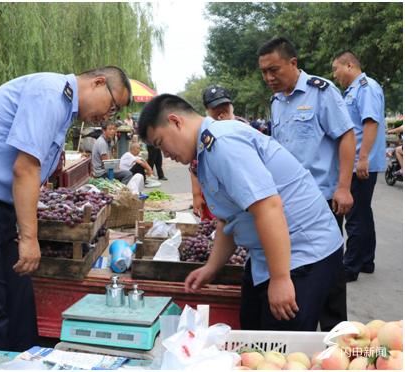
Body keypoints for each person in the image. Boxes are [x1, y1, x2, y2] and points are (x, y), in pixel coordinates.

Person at [0, 66, 132, 351]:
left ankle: (26, 361)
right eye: (112, 107)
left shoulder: (63, 109)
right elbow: (25, 168)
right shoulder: (50, 95)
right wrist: (29, 238)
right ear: (99, 82)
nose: (108, 116)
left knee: (19, 300)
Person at [137, 94, 344, 331]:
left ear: (175, 121)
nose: (164, 154)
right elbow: (230, 219)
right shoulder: (205, 153)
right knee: (251, 336)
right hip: (268, 257)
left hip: (303, 254)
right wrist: (211, 268)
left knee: (278, 351)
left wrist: (280, 278)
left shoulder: (223, 144)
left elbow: (268, 207)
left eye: (160, 142)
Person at [258, 37, 355, 331]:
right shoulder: (276, 102)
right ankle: (302, 336)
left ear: (293, 63)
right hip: (288, 201)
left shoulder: (321, 92)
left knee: (330, 271)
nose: (269, 78)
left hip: (322, 198)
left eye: (274, 70)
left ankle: (336, 337)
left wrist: (344, 186)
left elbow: (346, 137)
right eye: (263, 72)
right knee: (298, 268)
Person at [332, 51, 387, 282]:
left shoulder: (366, 87)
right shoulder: (354, 90)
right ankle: (366, 260)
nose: (335, 75)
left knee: (354, 215)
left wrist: (362, 157)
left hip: (360, 163)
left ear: (349, 65)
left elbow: (370, 122)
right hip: (358, 162)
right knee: (363, 212)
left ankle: (350, 266)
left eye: (336, 69)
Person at [190, 85, 247, 219]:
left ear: (231, 106)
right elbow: (194, 168)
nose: (220, 112)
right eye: (215, 108)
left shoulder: (243, 127)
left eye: (224, 106)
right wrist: (196, 195)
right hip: (212, 194)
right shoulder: (203, 133)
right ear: (207, 110)